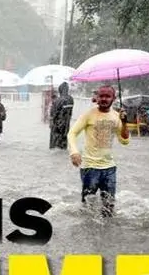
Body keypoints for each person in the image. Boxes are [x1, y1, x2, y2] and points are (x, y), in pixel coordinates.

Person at [68, 85, 130, 217]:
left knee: (109, 208)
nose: (104, 99)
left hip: (109, 168)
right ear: (96, 97)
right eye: (101, 96)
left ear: (113, 98)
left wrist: (124, 123)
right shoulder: (88, 114)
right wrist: (74, 152)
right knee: (87, 207)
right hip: (90, 167)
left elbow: (125, 141)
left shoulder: (117, 116)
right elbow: (72, 133)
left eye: (107, 96)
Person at [49, 82, 75, 149]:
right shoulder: (71, 99)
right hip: (66, 125)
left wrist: (51, 123)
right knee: (63, 143)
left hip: (57, 126)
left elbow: (53, 114)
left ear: (60, 90)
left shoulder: (58, 100)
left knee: (55, 145)